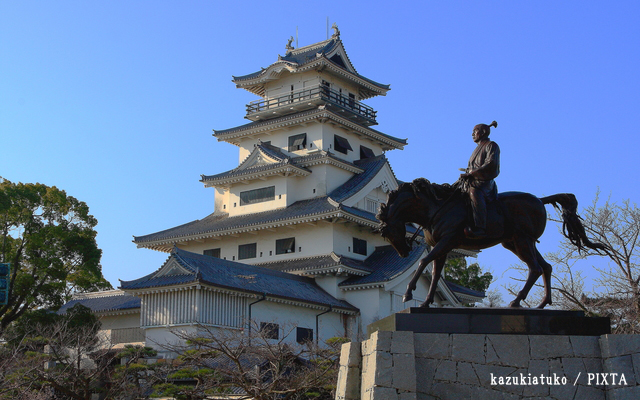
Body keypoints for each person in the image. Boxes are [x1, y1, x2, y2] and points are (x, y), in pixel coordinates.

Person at [459, 121, 499, 239]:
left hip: (484, 182)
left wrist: (472, 173)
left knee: (474, 192)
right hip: (472, 180)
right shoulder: (477, 149)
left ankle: (480, 227)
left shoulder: (491, 145)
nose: (472, 134)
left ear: (482, 133)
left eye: (474, 132)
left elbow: (491, 164)